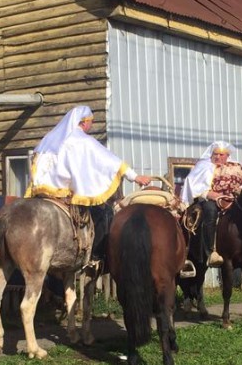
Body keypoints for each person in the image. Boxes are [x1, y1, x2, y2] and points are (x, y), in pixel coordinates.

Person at [29, 105, 152, 263]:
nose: (91, 126)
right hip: (66, 195)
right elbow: (110, 162)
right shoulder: (83, 141)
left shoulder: (51, 139)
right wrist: (135, 177)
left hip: (43, 193)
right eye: (91, 122)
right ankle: (95, 257)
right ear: (84, 122)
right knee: (104, 213)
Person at [181, 141, 242, 267]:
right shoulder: (203, 166)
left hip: (234, 199)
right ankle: (211, 251)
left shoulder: (236, 166)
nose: (218, 157)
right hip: (211, 200)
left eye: (222, 154)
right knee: (210, 210)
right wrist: (208, 194)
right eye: (215, 154)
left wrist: (239, 192)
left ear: (227, 156)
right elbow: (192, 185)